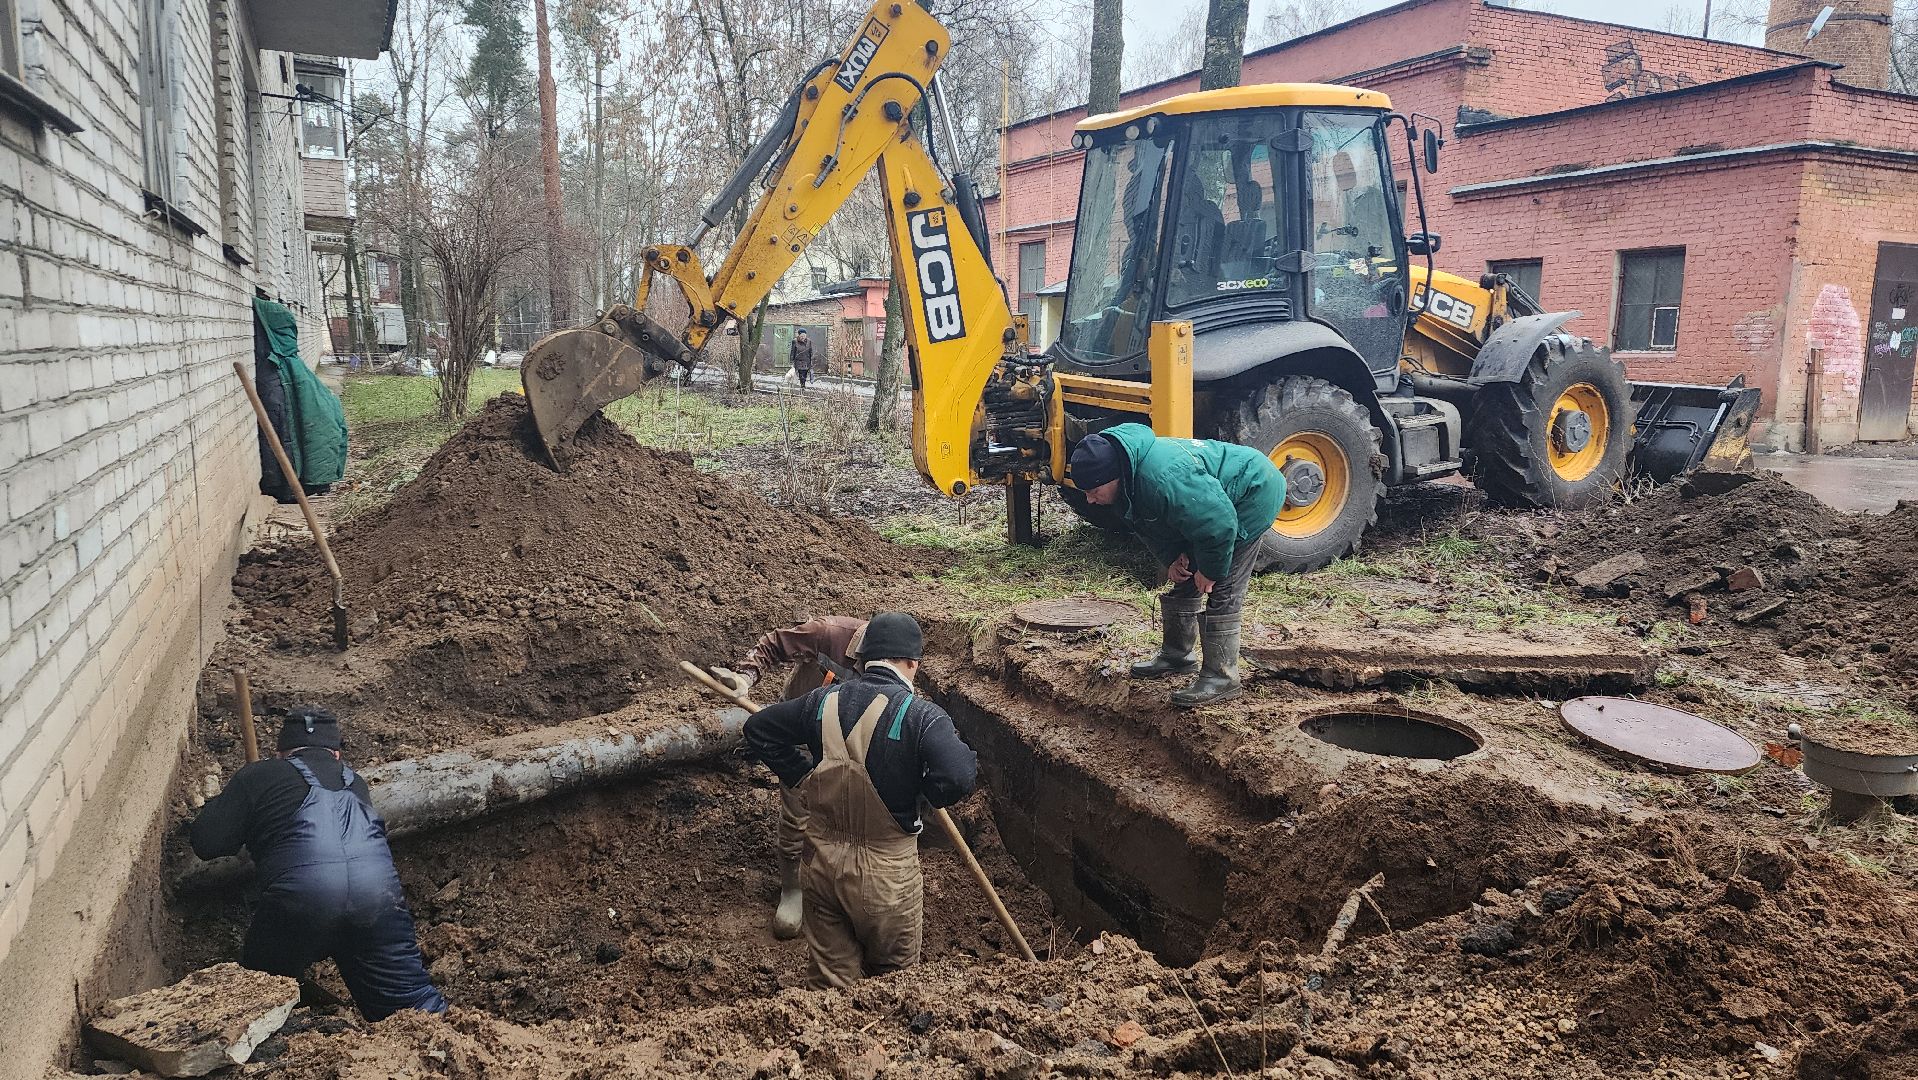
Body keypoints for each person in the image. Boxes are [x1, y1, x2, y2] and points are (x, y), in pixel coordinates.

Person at [743, 612, 977, 988]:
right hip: (885, 878)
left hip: (821, 867)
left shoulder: (820, 701)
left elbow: (758, 729)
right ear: (912, 662)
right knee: (894, 986)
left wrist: (804, 776)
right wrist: (925, 795)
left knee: (830, 983)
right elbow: (959, 774)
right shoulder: (920, 715)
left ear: (864, 657)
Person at [190, 706, 447, 1021]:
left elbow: (206, 843)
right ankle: (455, 1044)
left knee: (260, 996)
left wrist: (245, 810)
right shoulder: (357, 783)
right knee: (410, 1008)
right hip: (378, 898)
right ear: (336, 754)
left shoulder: (259, 774)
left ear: (281, 752)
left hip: (303, 899)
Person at [1068, 424, 1286, 707]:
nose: (1090, 499)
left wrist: (1210, 570)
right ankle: (1177, 656)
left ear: (1114, 476)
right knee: (1185, 578)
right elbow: (1149, 526)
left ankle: (1222, 677)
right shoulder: (1128, 481)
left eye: (1094, 490)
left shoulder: (1161, 478)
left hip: (1251, 492)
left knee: (1222, 588)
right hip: (1211, 507)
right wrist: (1173, 558)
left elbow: (1219, 526)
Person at [711, 616, 869, 940]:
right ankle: (793, 887)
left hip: (850, 742)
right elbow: (777, 643)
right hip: (801, 729)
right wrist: (745, 676)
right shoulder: (830, 634)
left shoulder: (898, 662)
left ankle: (838, 880)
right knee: (798, 813)